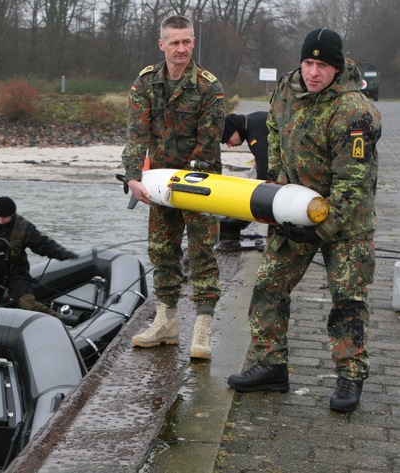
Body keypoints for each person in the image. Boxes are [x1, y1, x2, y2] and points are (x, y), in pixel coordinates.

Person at [226, 28, 381, 413]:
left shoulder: (355, 112)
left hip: (347, 224)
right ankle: (270, 366)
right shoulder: (286, 89)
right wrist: (280, 193)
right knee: (268, 287)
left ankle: (350, 376)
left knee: (347, 299)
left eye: (322, 65)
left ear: (337, 66)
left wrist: (321, 228)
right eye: (308, 63)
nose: (313, 72)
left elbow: (353, 183)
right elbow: (274, 131)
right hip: (294, 209)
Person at [121, 14, 225, 360]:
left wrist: (181, 187)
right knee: (162, 251)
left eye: (187, 41)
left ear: (193, 43)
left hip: (200, 181)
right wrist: (133, 175)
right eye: (175, 42)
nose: (181, 48)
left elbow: (207, 147)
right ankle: (166, 321)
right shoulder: (146, 83)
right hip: (160, 182)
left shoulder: (210, 87)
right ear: (161, 44)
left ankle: (203, 327)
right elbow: (137, 134)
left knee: (202, 253)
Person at [0, 196, 78, 317]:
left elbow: (44, 244)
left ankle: (59, 319)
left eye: (4, 218)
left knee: (28, 304)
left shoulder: (25, 228)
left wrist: (62, 253)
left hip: (15, 273)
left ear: (12, 214)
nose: (0, 220)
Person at [221, 111, 269, 180]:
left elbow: (264, 170)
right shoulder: (251, 120)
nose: (229, 145)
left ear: (234, 131)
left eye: (227, 141)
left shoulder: (255, 137)